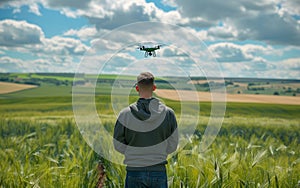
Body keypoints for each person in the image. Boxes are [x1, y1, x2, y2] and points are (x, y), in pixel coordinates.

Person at [113, 72, 178, 188]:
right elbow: (173, 145)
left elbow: (118, 144)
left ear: (137, 88)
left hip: (134, 171)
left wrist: (134, 153)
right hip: (159, 171)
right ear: (154, 88)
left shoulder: (125, 114)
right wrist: (158, 152)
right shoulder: (168, 114)